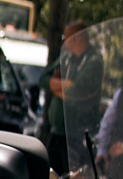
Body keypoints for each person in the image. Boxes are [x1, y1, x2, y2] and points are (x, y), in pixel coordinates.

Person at [43, 19, 102, 170]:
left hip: (77, 135)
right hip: (57, 133)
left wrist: (56, 86)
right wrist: (66, 84)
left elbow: (79, 91)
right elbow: (43, 80)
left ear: (75, 38)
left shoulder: (93, 60)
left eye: (65, 38)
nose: (64, 43)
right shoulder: (66, 58)